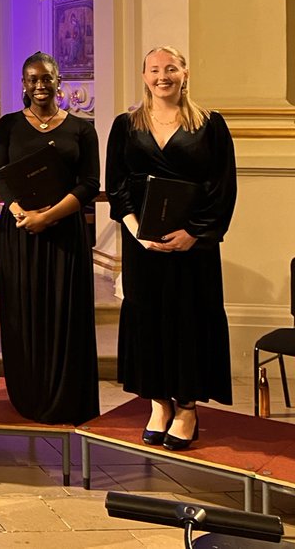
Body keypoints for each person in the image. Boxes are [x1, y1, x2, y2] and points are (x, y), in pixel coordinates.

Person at [106, 46, 236, 450]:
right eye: (155, 70)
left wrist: (193, 234)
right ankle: (159, 403)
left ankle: (187, 408)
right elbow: (117, 185)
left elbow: (222, 186)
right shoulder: (126, 125)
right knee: (149, 321)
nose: (163, 76)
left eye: (171, 69)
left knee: (189, 321)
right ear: (144, 76)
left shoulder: (210, 124)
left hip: (192, 247)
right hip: (143, 244)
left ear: (185, 73)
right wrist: (136, 232)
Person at [0, 51, 100, 425]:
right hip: (20, 232)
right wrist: (22, 212)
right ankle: (28, 393)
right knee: (23, 312)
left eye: (47, 78)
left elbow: (89, 183)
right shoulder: (8, 125)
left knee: (63, 312)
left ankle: (65, 396)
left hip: (65, 232)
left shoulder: (82, 128)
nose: (40, 85)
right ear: (23, 84)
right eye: (33, 79)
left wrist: (49, 216)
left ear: (58, 81)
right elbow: (2, 175)